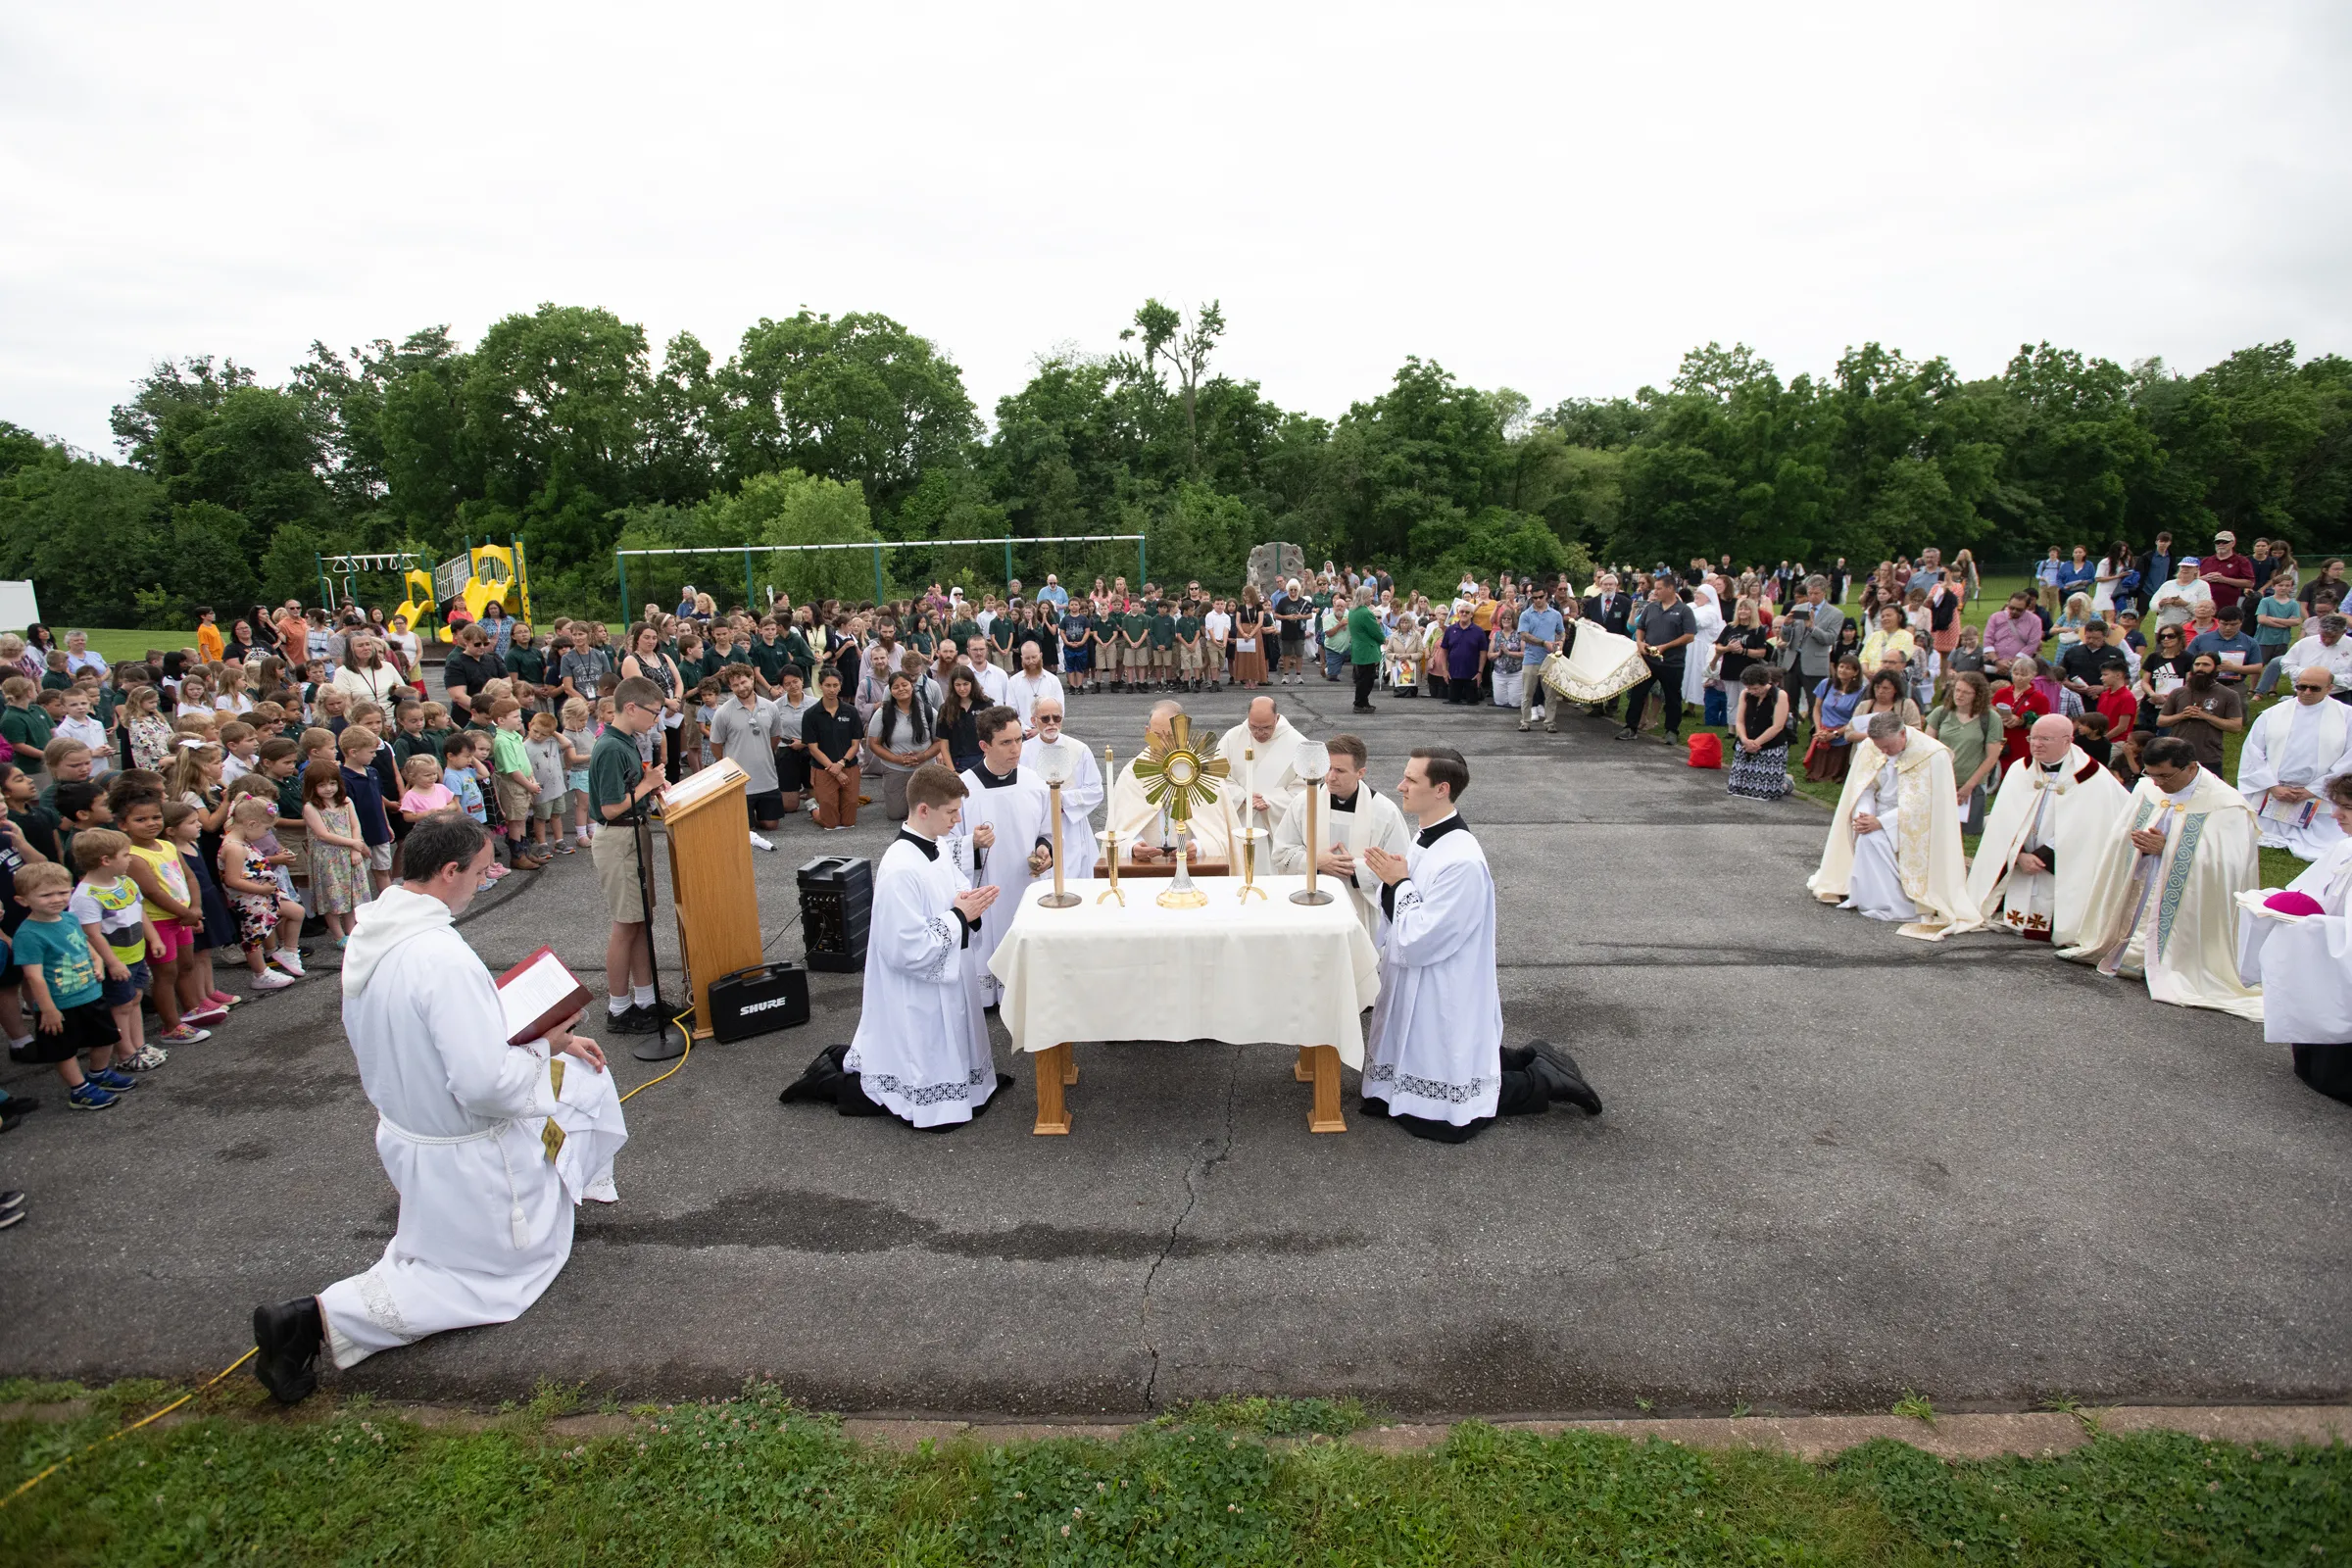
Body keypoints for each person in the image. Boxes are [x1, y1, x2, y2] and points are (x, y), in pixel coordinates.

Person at [249, 814, 625, 1404]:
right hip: (467, 1143)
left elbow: (441, 1031)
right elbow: (484, 1084)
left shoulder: (379, 925)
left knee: (576, 1080)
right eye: (480, 871)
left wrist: (544, 1042)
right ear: (449, 871)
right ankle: (315, 1319)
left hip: (413, 1126)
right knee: (495, 1280)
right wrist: (547, 1042)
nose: (487, 878)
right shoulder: (441, 956)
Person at [1357, 746, 1598, 1143]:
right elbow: (1411, 896)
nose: (1400, 785)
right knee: (1394, 1094)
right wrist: (1383, 876)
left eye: (1411, 780)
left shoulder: (1463, 861)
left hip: (1442, 982)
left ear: (1442, 789)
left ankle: (1544, 1081)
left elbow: (1422, 938)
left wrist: (1398, 883)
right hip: (1420, 978)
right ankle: (1520, 1059)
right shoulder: (1428, 837)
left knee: (1444, 1118)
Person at [780, 761, 1004, 1127]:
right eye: (951, 812)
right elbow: (906, 949)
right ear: (924, 810)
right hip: (917, 990)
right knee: (912, 1093)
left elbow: (953, 887)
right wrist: (960, 917)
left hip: (945, 975)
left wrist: (971, 901)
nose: (957, 820)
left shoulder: (936, 844)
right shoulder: (900, 868)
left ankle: (962, 1086)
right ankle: (830, 1083)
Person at [2059, 734, 2262, 1020]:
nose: (2158, 783)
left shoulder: (2226, 805)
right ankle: (2129, 956)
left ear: (2191, 767)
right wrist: (2134, 842)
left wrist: (2168, 850)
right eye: (2150, 774)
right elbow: (2119, 834)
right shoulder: (2148, 789)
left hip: (2187, 893)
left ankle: (2166, 966)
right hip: (2144, 876)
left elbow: (2226, 865)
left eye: (2165, 776)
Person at [1808, 712, 1982, 940]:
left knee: (1873, 840)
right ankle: (1870, 897)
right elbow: (1864, 786)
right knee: (1865, 836)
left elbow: (1925, 803)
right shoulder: (1872, 746)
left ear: (1902, 733)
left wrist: (1881, 822)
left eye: (1888, 747)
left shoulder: (1932, 754)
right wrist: (1865, 815)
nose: (1884, 752)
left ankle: (1897, 905)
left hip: (1915, 822)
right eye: (1880, 747)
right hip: (1875, 813)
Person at [2236, 772, 2352, 1103]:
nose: (2337, 816)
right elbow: (2308, 894)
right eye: (2337, 806)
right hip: (2329, 947)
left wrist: (2313, 925)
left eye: (2346, 808)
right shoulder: (2344, 848)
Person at [1966, 714, 2131, 945]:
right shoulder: (2019, 770)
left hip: (2059, 863)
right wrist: (2020, 853)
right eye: (2033, 737)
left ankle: (2058, 924)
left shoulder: (2092, 777)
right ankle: (2009, 913)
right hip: (2021, 858)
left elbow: (2087, 829)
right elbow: (2004, 821)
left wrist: (2042, 856)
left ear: (2067, 740)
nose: (2036, 744)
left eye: (2045, 739)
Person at [943, 707, 1053, 1009]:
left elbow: (1048, 831)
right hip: (988, 890)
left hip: (1027, 886)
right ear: (984, 746)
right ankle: (989, 997)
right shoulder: (963, 790)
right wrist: (972, 844)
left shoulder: (1034, 783)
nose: (1016, 748)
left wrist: (1046, 851)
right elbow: (944, 848)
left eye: (1019, 739)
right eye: (1006, 742)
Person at [1271, 732, 1409, 943]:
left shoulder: (1384, 812)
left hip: (1360, 910)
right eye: (1328, 768)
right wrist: (1315, 862)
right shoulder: (1304, 802)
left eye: (1340, 770)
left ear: (1360, 773)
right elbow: (1280, 853)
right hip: (1309, 906)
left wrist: (1355, 869)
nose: (1330, 777)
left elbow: (1400, 867)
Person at [588, 676, 668, 1035]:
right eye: (654, 712)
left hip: (632, 835)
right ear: (631, 708)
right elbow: (609, 808)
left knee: (641, 922)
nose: (657, 720)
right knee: (626, 925)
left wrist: (650, 783)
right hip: (618, 838)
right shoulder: (611, 747)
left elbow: (628, 788)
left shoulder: (625, 741)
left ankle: (646, 1000)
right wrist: (647, 787)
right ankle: (618, 1009)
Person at [2237, 667, 2352, 860]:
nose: (2306, 692)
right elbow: (2253, 752)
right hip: (2274, 791)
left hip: (2320, 795)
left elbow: (2349, 759)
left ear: (2329, 688)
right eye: (2301, 686)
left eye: (2314, 688)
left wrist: (2314, 789)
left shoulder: (2347, 716)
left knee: (2329, 840)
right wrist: (2273, 786)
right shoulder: (2272, 713)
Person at [1106, 701, 1235, 862]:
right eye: (1157, 736)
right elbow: (1118, 831)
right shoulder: (1133, 773)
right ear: (1147, 732)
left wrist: (1199, 847)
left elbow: (1220, 834)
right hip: (1144, 870)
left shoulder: (1205, 773)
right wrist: (1132, 846)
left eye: (1171, 737)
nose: (1163, 744)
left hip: (1194, 868)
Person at [1020, 697, 1102, 878]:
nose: (1051, 723)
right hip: (1037, 825)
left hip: (1071, 825)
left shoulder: (1079, 749)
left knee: (1074, 877)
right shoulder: (1023, 752)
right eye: (1045, 718)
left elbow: (1095, 790)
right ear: (1033, 721)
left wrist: (1062, 801)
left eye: (1056, 718)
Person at [709, 664, 787, 830]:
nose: (741, 688)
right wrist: (728, 765)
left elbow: (774, 737)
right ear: (730, 687)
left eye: (744, 682)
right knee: (745, 828)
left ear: (752, 679)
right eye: (735, 685)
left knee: (771, 825)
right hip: (740, 781)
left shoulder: (770, 707)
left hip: (767, 777)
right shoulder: (723, 712)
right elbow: (716, 745)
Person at [1620, 576, 1696, 742]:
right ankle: (1630, 727)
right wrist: (1640, 642)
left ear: (1671, 589)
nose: (1655, 592)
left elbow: (1689, 636)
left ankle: (1672, 730)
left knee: (1672, 696)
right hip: (1648, 659)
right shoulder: (1651, 607)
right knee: (1638, 693)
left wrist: (1666, 646)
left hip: (1672, 661)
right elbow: (1641, 627)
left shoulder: (1684, 610)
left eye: (1659, 588)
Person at [1926, 670, 2002, 834]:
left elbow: (1992, 756)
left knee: (1966, 832)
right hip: (1940, 780)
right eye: (1957, 690)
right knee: (1936, 829)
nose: (1959, 695)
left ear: (1977, 695)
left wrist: (1970, 785)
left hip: (1971, 784)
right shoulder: (1941, 713)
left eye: (1966, 692)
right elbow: (1926, 747)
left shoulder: (1990, 718)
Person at [1221, 696, 1307, 832]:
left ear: (1276, 719)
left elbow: (1303, 790)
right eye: (1253, 727)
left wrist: (1269, 801)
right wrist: (1241, 796)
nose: (1259, 733)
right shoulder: (1232, 737)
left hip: (1276, 826)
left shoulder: (1298, 744)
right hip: (1238, 821)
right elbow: (1217, 777)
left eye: (1267, 727)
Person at [864, 671, 940, 823]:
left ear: (911, 686)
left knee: (927, 813)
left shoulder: (927, 711)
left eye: (904, 685)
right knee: (896, 814)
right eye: (896, 687)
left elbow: (939, 742)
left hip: (924, 768)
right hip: (895, 769)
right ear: (890, 691)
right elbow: (873, 743)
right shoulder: (883, 712)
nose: (901, 689)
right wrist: (897, 759)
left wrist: (923, 756)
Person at [2155, 653, 2245, 772]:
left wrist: (2205, 716)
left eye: (2206, 664)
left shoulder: (2229, 695)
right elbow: (2161, 721)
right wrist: (2182, 715)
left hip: (2209, 757)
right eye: (2197, 664)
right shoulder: (2178, 692)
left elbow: (2236, 726)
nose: (2200, 668)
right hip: (2177, 755)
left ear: (2216, 668)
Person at [802, 668, 864, 831]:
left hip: (848, 766)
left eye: (835, 685)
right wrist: (834, 769)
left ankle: (828, 806)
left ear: (840, 686)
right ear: (820, 686)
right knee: (830, 823)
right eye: (827, 685)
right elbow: (813, 748)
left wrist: (841, 764)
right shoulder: (810, 714)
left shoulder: (851, 711)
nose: (831, 689)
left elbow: (855, 744)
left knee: (849, 822)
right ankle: (814, 808)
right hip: (824, 769)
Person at [1726, 664, 1793, 802]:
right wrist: (1744, 740)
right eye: (1749, 688)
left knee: (1766, 794)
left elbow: (1778, 726)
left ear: (1766, 683)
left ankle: (1786, 781)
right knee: (1736, 789)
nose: (1752, 691)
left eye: (1756, 688)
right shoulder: (1745, 694)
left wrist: (1757, 743)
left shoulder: (1779, 695)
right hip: (1747, 743)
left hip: (1770, 745)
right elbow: (1739, 721)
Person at [1004, 640, 1065, 733]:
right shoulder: (1013, 681)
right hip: (1023, 734)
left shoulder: (1053, 680)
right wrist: (1027, 730)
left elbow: (1060, 710)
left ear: (1040, 655)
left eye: (1034, 657)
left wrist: (1039, 730)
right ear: (1022, 658)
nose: (1031, 661)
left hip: (1049, 731)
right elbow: (1011, 712)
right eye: (1027, 658)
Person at [1348, 585, 1386, 716]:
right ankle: (1359, 703)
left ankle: (1363, 702)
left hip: (1358, 648)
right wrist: (1383, 639)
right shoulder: (1365, 613)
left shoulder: (1353, 611)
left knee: (1362, 677)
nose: (1371, 598)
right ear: (1364, 597)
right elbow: (1375, 631)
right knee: (1367, 678)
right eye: (1370, 596)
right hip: (1367, 649)